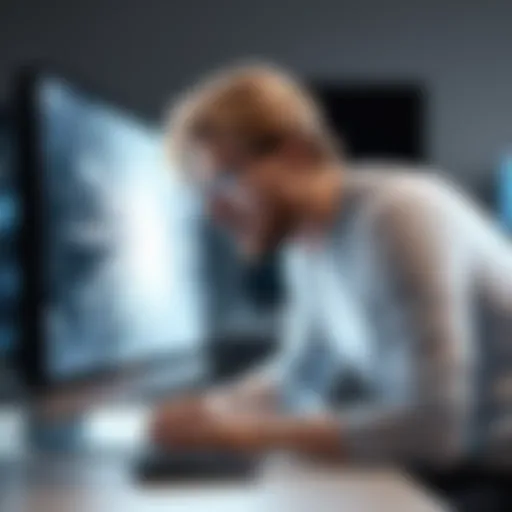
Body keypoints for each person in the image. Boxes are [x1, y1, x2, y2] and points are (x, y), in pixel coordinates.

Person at [150, 63, 512, 469]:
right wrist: (210, 410)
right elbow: (299, 377)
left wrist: (235, 435)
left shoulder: (396, 217)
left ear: (296, 155)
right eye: (203, 194)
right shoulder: (308, 245)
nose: (214, 213)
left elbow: (433, 431)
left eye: (224, 182)